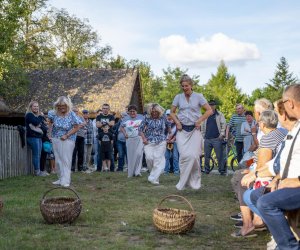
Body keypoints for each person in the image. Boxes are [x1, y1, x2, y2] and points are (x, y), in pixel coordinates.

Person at [250, 84, 300, 250]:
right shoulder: (296, 128)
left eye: (283, 102)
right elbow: (285, 161)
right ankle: (283, 238)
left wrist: (297, 180)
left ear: (290, 103)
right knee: (257, 195)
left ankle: (289, 246)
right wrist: (278, 179)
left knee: (266, 203)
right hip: (288, 182)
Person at [231, 110, 287, 238]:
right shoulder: (282, 132)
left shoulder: (268, 138)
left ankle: (249, 223)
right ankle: (255, 219)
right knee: (240, 175)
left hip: (270, 176)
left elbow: (263, 166)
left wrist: (251, 172)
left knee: (240, 179)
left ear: (261, 124)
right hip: (275, 173)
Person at [170, 74, 212, 190]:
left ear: (191, 85)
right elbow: (172, 112)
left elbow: (209, 111)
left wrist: (199, 120)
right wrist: (177, 122)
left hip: (194, 130)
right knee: (184, 156)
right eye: (182, 86)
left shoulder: (199, 96)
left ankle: (195, 182)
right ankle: (183, 182)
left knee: (193, 156)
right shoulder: (178, 97)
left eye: (186, 86)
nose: (184, 88)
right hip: (182, 130)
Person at [48, 96, 81, 187]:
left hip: (68, 139)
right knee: (58, 160)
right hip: (56, 138)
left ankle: (66, 181)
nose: (62, 107)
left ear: (67, 105)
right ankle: (60, 178)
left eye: (64, 106)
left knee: (65, 160)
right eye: (60, 106)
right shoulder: (53, 113)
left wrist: (66, 135)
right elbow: (50, 123)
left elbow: (77, 127)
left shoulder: (71, 114)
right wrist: (49, 134)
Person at [140, 103, 170, 185]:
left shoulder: (163, 117)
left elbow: (169, 125)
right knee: (149, 158)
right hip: (149, 141)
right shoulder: (147, 118)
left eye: (156, 111)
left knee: (157, 159)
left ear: (159, 111)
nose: (154, 113)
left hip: (161, 141)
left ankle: (154, 178)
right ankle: (153, 175)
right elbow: (140, 129)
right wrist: (144, 138)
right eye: (152, 111)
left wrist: (168, 136)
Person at [201, 100, 227, 175]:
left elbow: (224, 124)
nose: (211, 106)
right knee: (206, 156)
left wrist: (221, 134)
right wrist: (203, 135)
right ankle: (207, 170)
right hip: (207, 139)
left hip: (217, 139)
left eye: (213, 105)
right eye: (210, 105)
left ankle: (221, 170)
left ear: (215, 106)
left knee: (219, 156)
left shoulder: (219, 114)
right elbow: (202, 125)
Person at [120, 104, 144, 177]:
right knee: (131, 156)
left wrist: (143, 131)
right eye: (130, 111)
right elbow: (121, 127)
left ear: (136, 112)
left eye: (134, 111)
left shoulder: (141, 117)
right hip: (129, 139)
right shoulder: (125, 119)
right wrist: (125, 134)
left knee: (139, 154)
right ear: (128, 112)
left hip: (139, 138)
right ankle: (131, 173)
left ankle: (137, 172)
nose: (132, 113)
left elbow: (146, 125)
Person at [25, 101, 47, 176]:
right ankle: (37, 172)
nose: (36, 108)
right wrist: (40, 116)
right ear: (30, 107)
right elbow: (37, 123)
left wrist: (39, 120)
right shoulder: (29, 115)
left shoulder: (35, 116)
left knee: (39, 154)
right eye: (34, 106)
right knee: (36, 155)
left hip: (38, 137)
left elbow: (40, 125)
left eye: (37, 106)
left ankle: (39, 171)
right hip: (32, 137)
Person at [96, 104, 115, 172]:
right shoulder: (98, 116)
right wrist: (107, 123)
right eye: (104, 108)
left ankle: (111, 169)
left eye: (106, 108)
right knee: (99, 153)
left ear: (109, 109)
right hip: (100, 138)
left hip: (110, 138)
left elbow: (112, 123)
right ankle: (99, 169)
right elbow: (97, 125)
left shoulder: (111, 116)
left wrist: (102, 123)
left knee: (110, 153)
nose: (105, 109)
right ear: (102, 109)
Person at [164, 109, 179, 175]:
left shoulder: (177, 123)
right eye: (167, 115)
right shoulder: (165, 123)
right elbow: (163, 133)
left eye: (170, 115)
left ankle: (176, 171)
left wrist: (173, 139)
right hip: (167, 142)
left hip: (174, 142)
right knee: (166, 157)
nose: (169, 116)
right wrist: (166, 140)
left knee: (175, 156)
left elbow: (178, 132)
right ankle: (166, 170)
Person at [71, 107, 86, 172]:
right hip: (74, 136)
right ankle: (72, 168)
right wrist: (79, 125)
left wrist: (78, 126)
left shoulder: (81, 117)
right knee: (73, 153)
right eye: (74, 111)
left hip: (81, 136)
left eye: (77, 111)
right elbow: (73, 126)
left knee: (81, 152)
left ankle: (80, 168)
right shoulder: (70, 117)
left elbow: (84, 123)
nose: (75, 112)